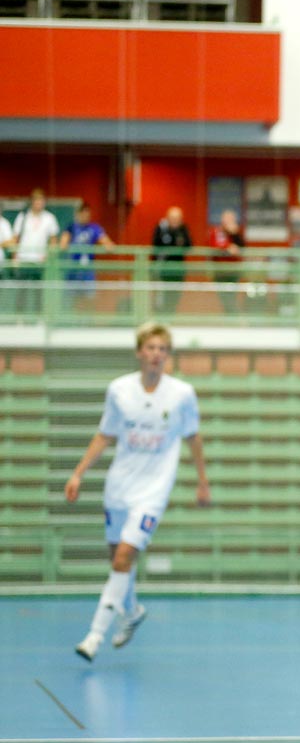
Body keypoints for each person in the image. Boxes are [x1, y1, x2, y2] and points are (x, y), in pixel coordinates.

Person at [65, 322, 210, 661]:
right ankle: (131, 613)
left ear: (168, 355)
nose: (156, 355)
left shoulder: (182, 395)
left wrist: (203, 481)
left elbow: (194, 438)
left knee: (124, 557)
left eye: (163, 349)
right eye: (151, 348)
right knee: (116, 557)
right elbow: (105, 435)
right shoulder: (119, 390)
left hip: (153, 491)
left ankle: (94, 635)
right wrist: (77, 474)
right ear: (139, 352)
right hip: (119, 486)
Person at [11, 188, 60, 315]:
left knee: (39, 292)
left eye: (41, 200)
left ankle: (39, 318)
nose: (38, 203)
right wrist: (14, 257)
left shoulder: (50, 218)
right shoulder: (22, 217)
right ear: (32, 201)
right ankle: (19, 319)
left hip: (40, 261)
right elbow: (16, 239)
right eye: (36, 200)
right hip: (23, 259)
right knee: (22, 291)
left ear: (44, 202)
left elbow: (53, 241)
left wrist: (49, 256)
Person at [60, 202, 116, 308]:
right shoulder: (71, 227)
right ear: (78, 214)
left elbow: (107, 243)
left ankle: (86, 321)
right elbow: (63, 244)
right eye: (83, 213)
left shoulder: (94, 228)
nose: (86, 216)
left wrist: (108, 245)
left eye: (87, 213)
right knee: (70, 299)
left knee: (88, 299)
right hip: (73, 269)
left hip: (88, 270)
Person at [151, 207, 192, 314]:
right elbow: (155, 245)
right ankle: (160, 317)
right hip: (162, 268)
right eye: (172, 218)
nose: (174, 220)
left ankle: (170, 316)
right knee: (161, 295)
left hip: (178, 269)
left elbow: (188, 245)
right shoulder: (161, 228)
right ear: (168, 218)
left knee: (174, 294)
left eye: (177, 218)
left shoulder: (183, 229)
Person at [207, 208, 245, 315]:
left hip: (234, 270)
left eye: (231, 219)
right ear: (222, 220)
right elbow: (215, 247)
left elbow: (242, 247)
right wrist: (228, 248)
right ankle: (232, 317)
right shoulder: (216, 231)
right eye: (227, 219)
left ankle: (232, 317)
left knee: (232, 295)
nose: (229, 221)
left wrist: (234, 234)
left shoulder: (236, 232)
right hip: (221, 271)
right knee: (224, 296)